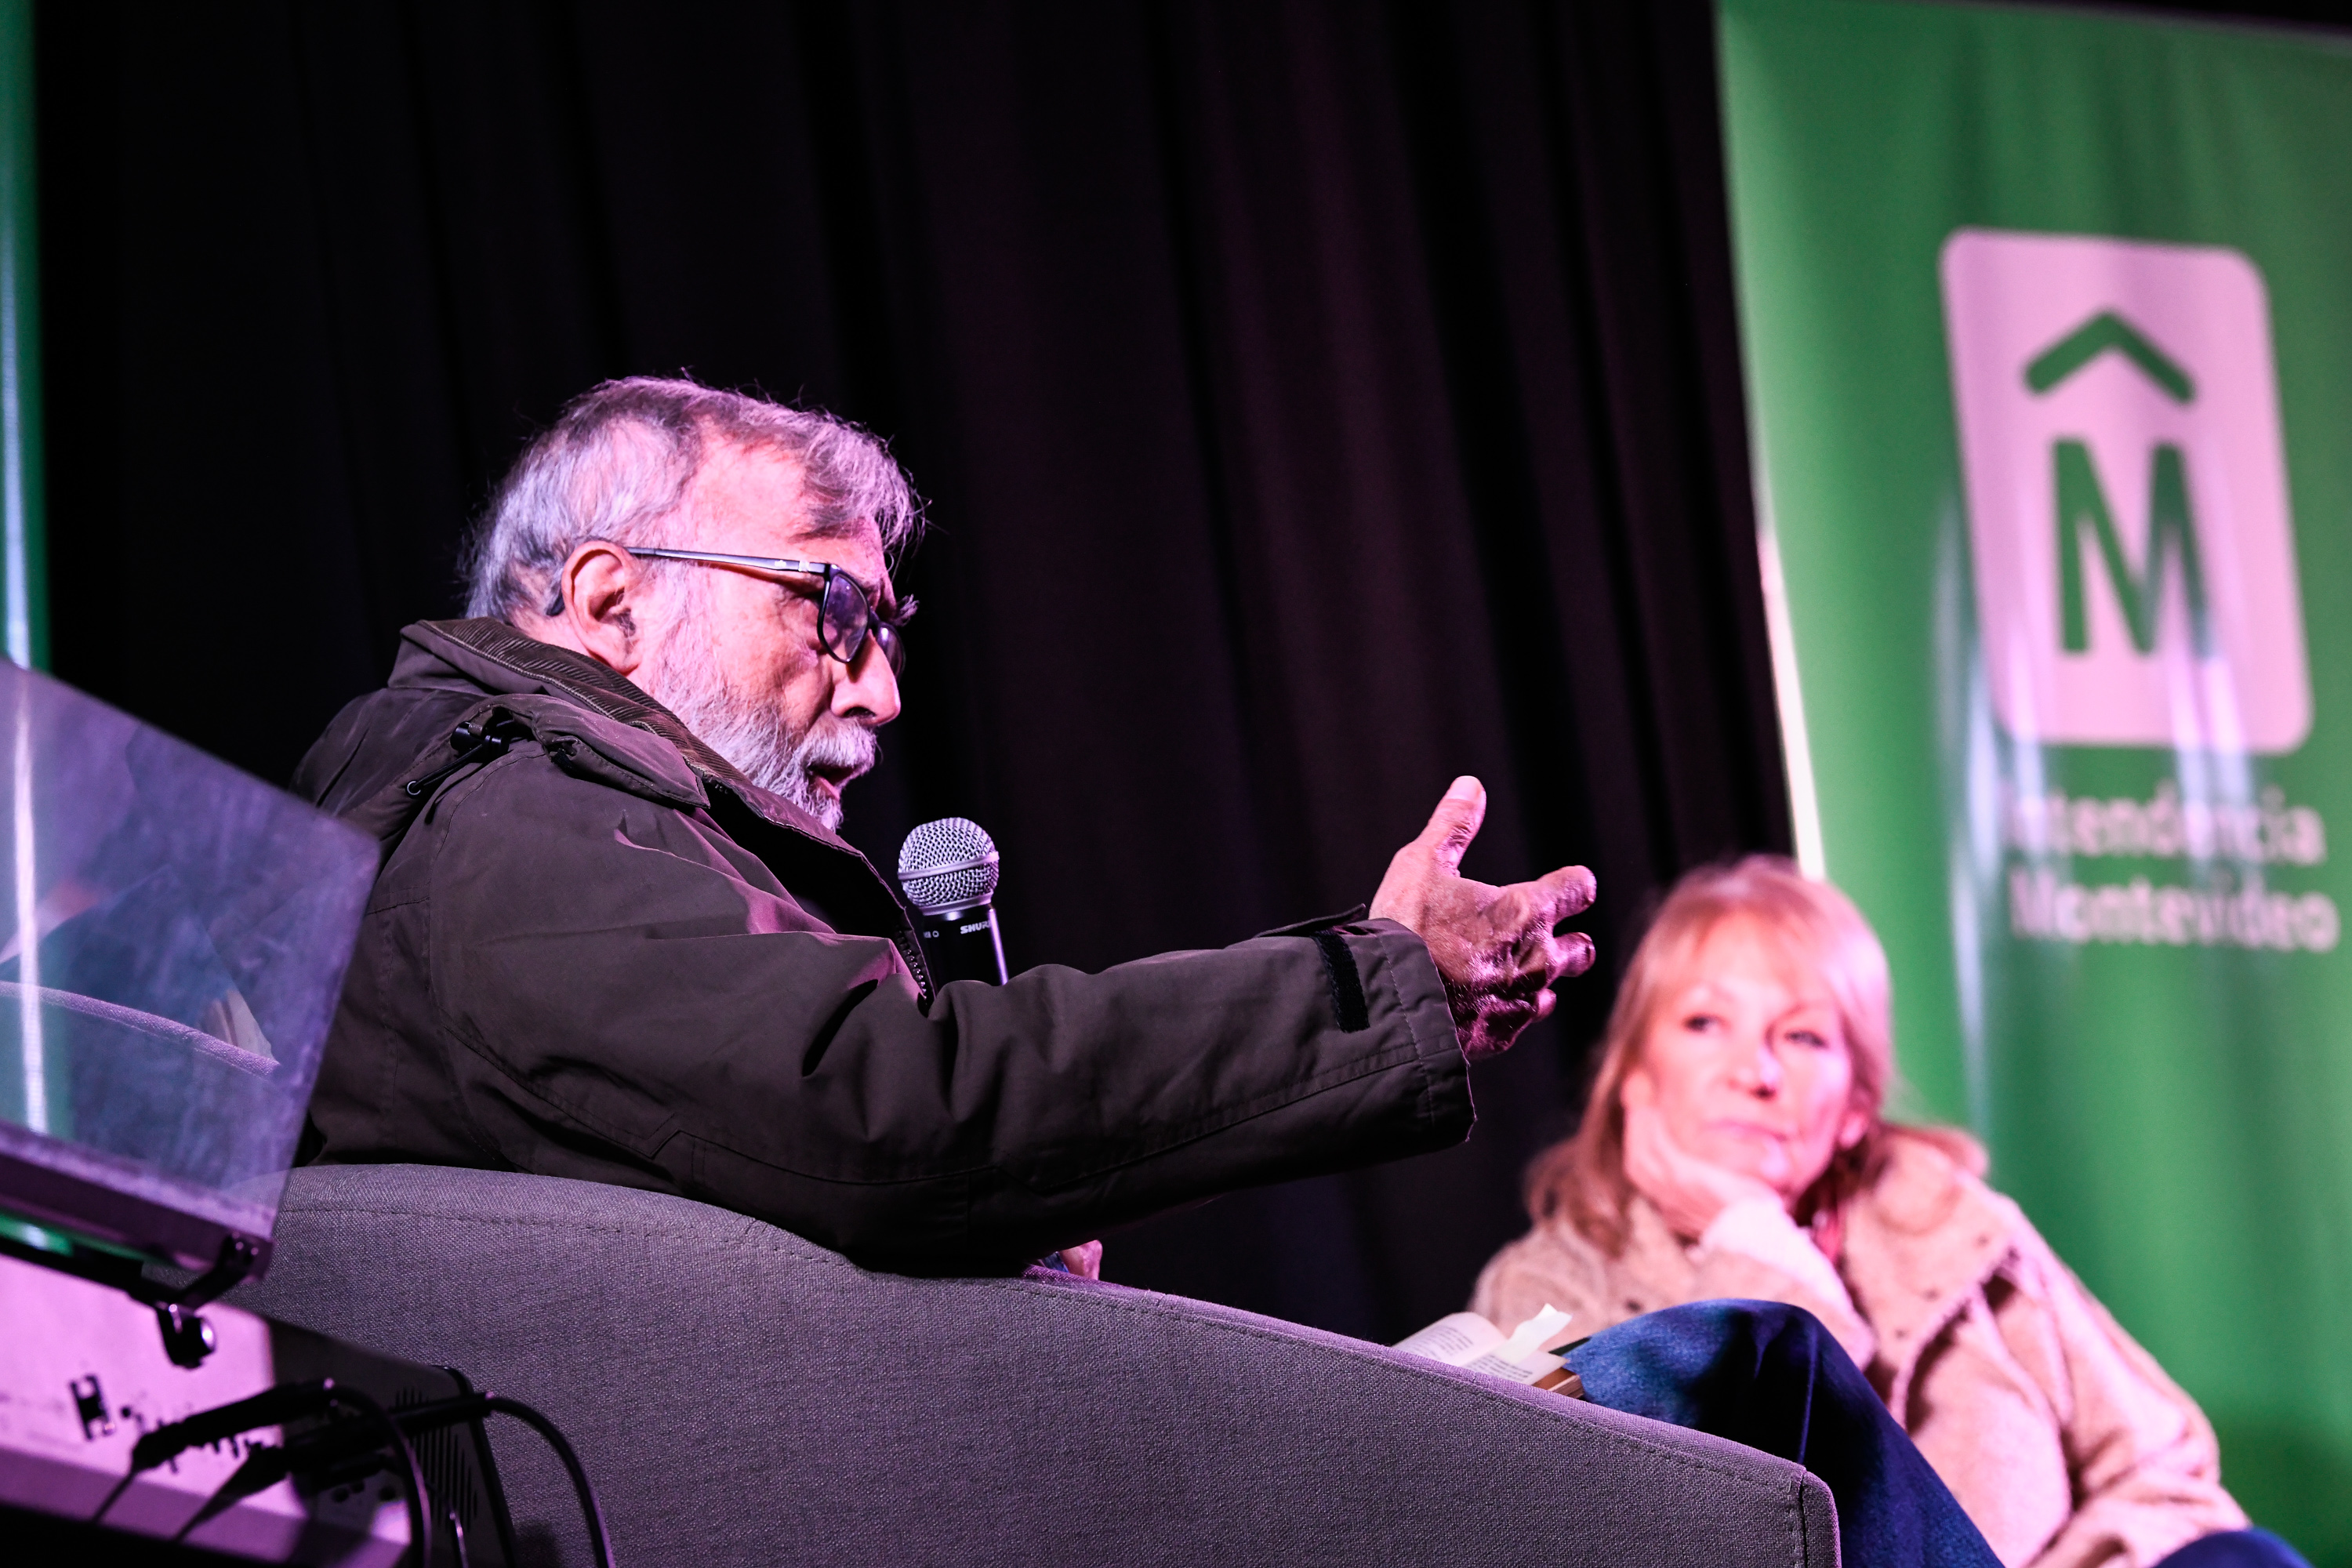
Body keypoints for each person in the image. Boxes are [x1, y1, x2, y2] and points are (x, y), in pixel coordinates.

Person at [292, 375, 1599, 1276]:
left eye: (887, 630)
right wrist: (1372, 984)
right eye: (832, 610)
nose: (883, 689)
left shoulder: (532, 817)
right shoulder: (506, 825)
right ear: (608, 601)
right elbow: (887, 1108)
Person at [1473, 857, 2303, 1568]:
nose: (1754, 1069)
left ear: (1856, 1105)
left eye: (1802, 1037)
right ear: (1636, 1077)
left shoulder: (1962, 1228)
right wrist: (1752, 1242)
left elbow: (2169, 1471)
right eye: (1704, 1023)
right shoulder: (1544, 1286)